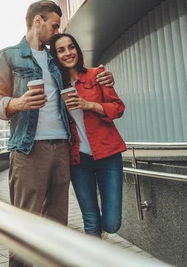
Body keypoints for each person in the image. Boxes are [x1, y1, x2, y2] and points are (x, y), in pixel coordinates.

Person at [0, 0, 114, 267]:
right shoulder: (8, 56)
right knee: (25, 225)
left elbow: (82, 74)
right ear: (38, 21)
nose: (57, 31)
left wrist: (103, 76)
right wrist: (17, 103)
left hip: (63, 148)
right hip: (29, 150)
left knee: (56, 225)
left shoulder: (55, 59)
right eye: (54, 25)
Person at [49, 33, 126, 239]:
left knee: (111, 223)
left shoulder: (97, 75)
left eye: (71, 47)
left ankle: (104, 232)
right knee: (91, 221)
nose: (68, 53)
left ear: (77, 50)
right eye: (61, 50)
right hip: (78, 160)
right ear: (56, 57)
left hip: (108, 155)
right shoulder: (56, 87)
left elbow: (118, 108)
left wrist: (89, 105)